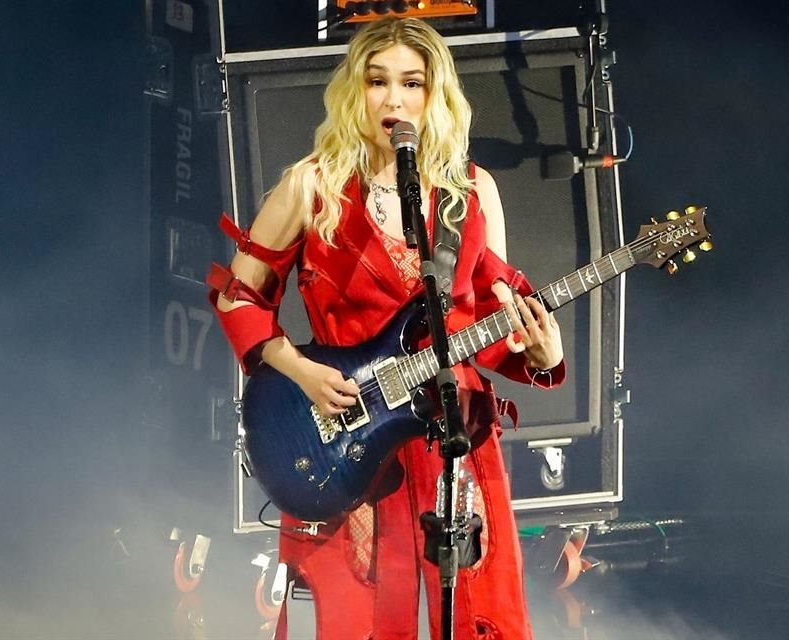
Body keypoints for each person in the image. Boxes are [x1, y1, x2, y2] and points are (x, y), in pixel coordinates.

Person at [208, 16, 566, 640]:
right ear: (356, 90)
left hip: (450, 439)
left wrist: (539, 353)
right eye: (377, 82)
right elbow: (239, 298)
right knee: (361, 618)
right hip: (346, 435)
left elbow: (495, 322)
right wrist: (301, 370)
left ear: (436, 96)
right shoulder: (312, 185)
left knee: (475, 617)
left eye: (412, 83)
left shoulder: (470, 192)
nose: (394, 99)